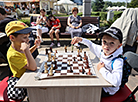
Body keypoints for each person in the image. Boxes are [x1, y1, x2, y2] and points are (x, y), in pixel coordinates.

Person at [71, 27, 123, 97]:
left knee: (82, 91)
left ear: (119, 46)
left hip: (107, 89)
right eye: (104, 41)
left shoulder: (117, 61)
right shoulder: (102, 50)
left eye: (112, 43)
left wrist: (101, 69)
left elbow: (116, 82)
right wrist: (81, 39)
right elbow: (91, 45)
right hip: (101, 81)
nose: (106, 46)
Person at [5, 21, 40, 100]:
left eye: (28, 37)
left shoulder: (18, 48)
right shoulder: (12, 55)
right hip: (22, 80)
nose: (27, 40)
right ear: (12, 38)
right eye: (24, 37)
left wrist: (35, 46)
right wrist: (26, 50)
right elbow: (33, 67)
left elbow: (25, 56)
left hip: (27, 74)